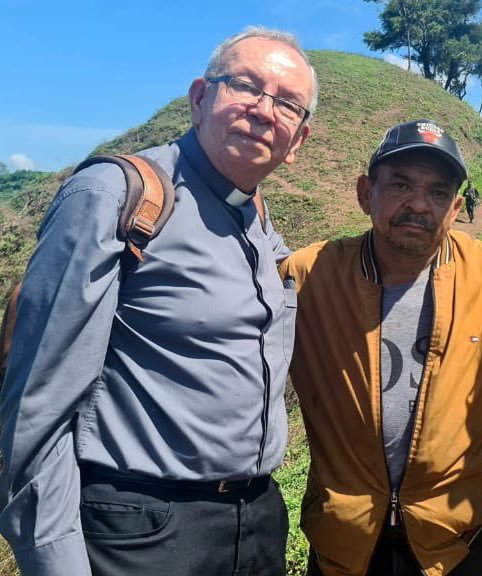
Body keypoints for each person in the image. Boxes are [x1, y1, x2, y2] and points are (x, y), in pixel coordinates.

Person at [0, 26, 317, 576]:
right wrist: (55, 562)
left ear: (299, 142)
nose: (265, 111)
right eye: (245, 86)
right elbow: (36, 404)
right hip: (143, 531)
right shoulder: (117, 197)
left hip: (255, 522)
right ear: (199, 98)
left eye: (287, 104)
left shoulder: (260, 224)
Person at [280, 119, 482, 576]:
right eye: (400, 185)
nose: (419, 204)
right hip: (346, 540)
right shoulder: (308, 277)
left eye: (439, 193)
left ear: (456, 207)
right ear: (366, 192)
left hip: (457, 540)